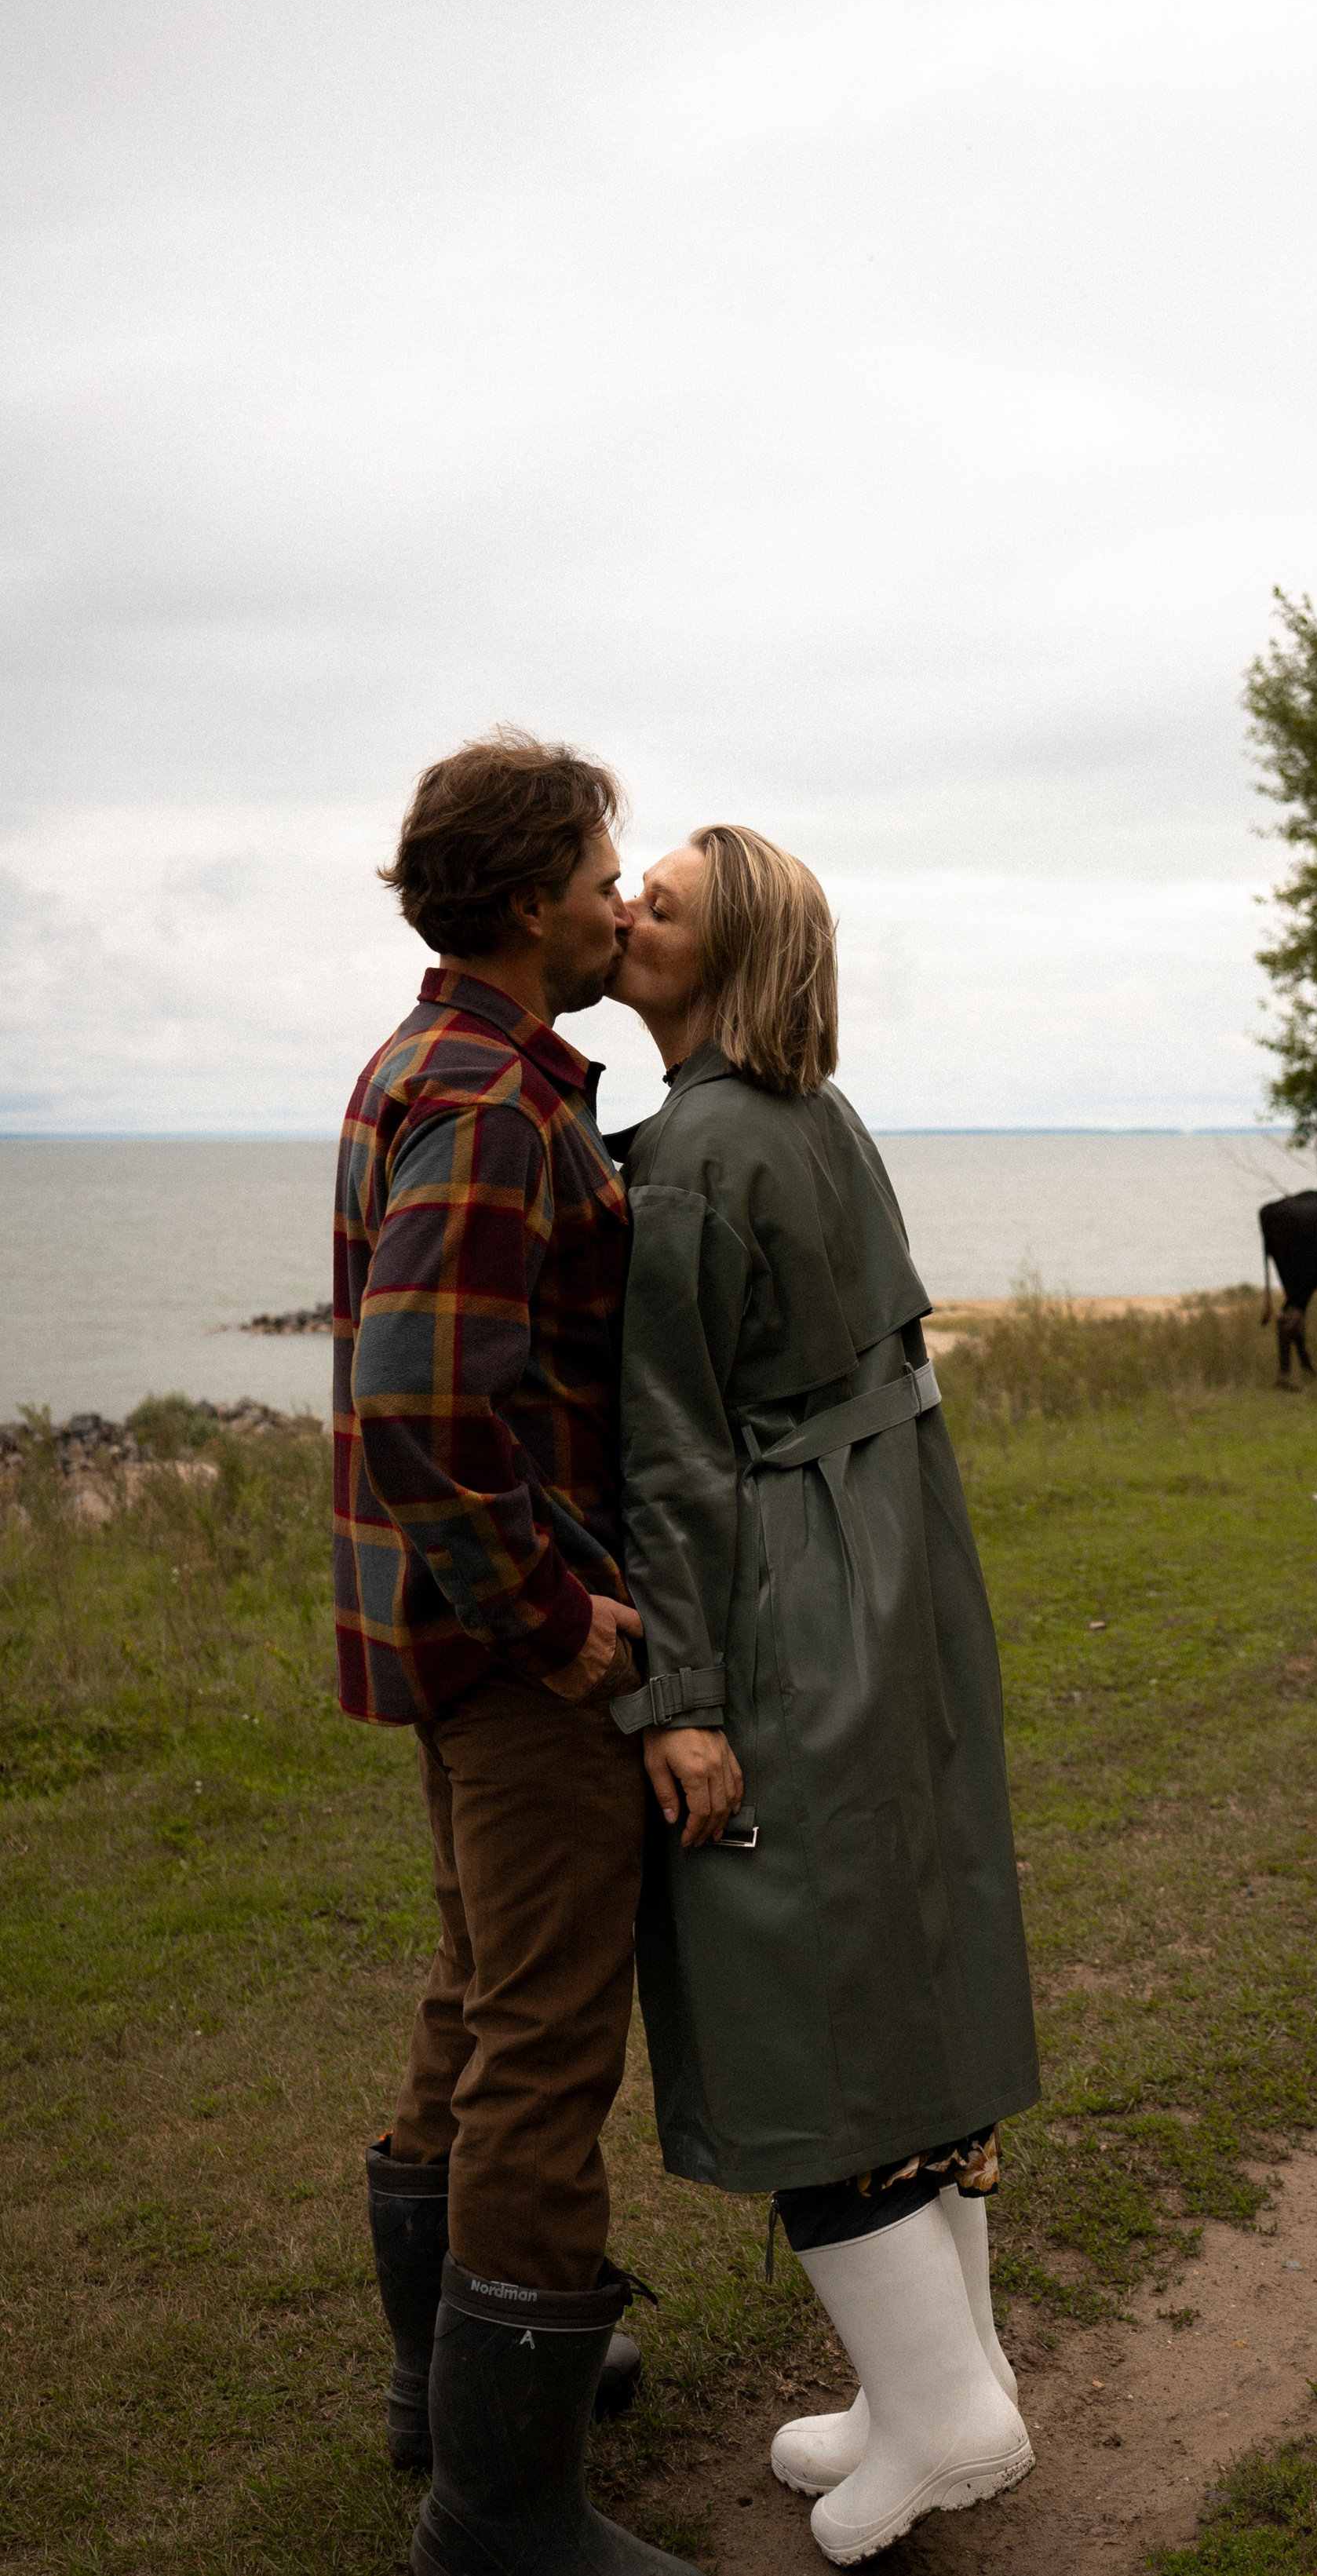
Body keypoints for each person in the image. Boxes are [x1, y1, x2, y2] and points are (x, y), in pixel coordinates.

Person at [604, 823, 1042, 2568]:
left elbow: (675, 1454)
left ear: (731, 955)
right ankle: (924, 2380)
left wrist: (682, 1697)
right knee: (891, 1961)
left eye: (663, 902)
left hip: (794, 1583)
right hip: (895, 1562)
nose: (626, 908)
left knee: (791, 1974)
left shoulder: (699, 1150)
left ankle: (951, 2415)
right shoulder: (807, 1116)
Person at [334, 730, 702, 2576]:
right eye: (598, 867)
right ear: (519, 897)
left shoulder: (437, 1064)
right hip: (520, 1656)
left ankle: (440, 2392)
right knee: (548, 2055)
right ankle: (503, 2515)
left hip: (453, 1646)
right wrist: (563, 1630)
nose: (619, 897)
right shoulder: (489, 1098)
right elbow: (417, 1405)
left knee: (477, 2000)